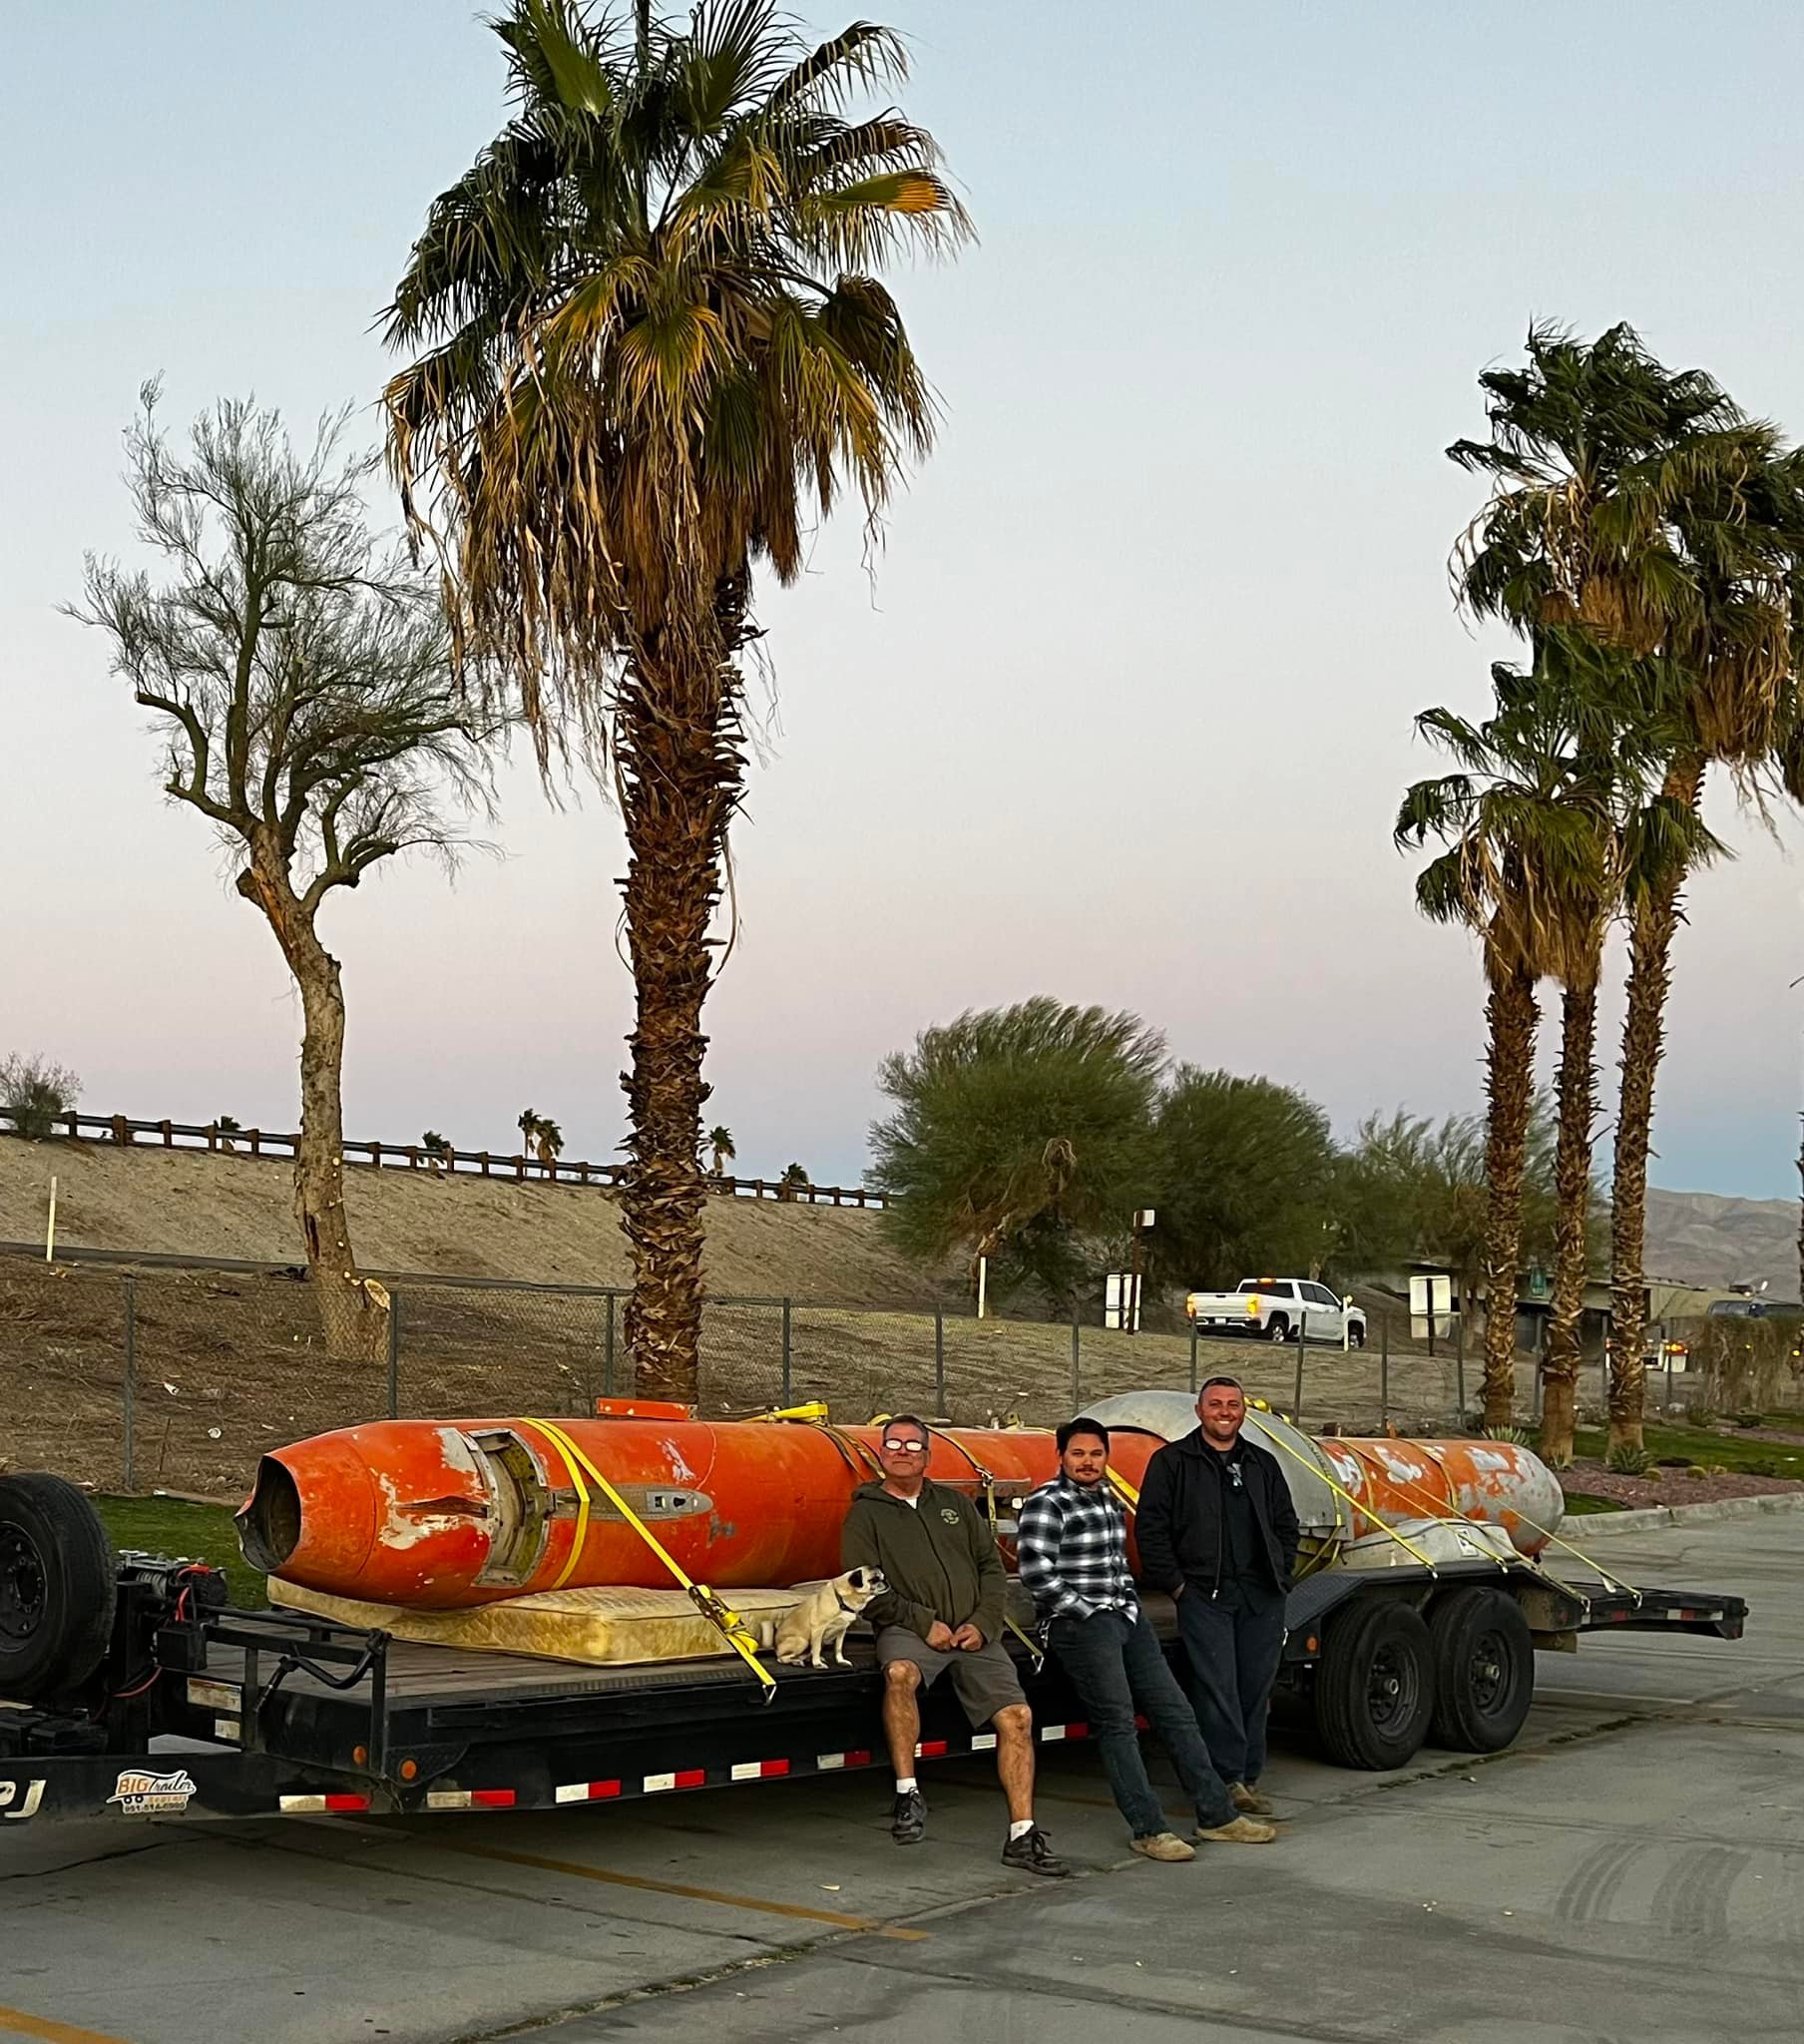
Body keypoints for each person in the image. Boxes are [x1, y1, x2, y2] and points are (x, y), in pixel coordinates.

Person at [1017, 1416, 1277, 1861]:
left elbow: (1119, 1565)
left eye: (1096, 1453)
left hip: (1126, 1617)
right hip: (1081, 1624)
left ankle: (1217, 1816)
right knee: (1118, 1725)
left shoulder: (1109, 1499)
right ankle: (1149, 1828)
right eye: (1078, 1453)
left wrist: (1129, 1607)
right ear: (1061, 1456)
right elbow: (1036, 1574)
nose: (1087, 1462)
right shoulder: (1048, 1503)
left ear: (1106, 1458)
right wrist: (1089, 1611)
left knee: (1175, 1712)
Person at [841, 1412, 1068, 1875]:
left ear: (928, 1455)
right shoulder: (864, 1513)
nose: (902, 1452)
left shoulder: (955, 1505)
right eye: (893, 1444)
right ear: (880, 1453)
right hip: (909, 1628)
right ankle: (908, 1794)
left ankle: (1022, 1836)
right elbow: (863, 1585)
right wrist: (923, 1623)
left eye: (912, 1445)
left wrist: (983, 1623)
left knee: (1018, 1717)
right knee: (899, 1675)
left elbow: (991, 1567)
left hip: (971, 1630)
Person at [1136, 1376, 1300, 1817]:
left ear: (1243, 1411)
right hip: (1204, 1594)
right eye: (1215, 1404)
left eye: (1232, 1404)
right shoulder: (1173, 1462)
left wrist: (1282, 1573)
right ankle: (1226, 1779)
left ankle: (1248, 1777)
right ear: (1199, 1411)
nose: (1224, 1412)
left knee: (1254, 1686)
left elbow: (1286, 1524)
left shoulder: (1261, 1463)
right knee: (1217, 1688)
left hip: (1261, 1594)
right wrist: (1177, 1585)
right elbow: (1150, 1528)